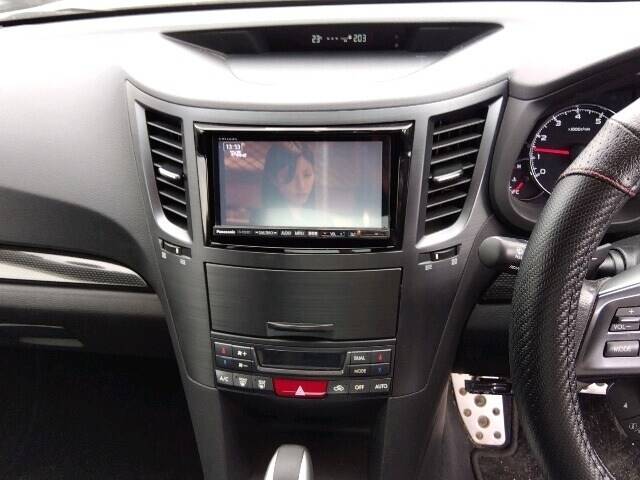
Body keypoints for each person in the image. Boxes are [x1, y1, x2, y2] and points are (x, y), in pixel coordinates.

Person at [258, 142, 316, 226]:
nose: (301, 186)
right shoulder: (265, 220)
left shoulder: (321, 219)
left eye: (307, 175)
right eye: (290, 176)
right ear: (273, 179)